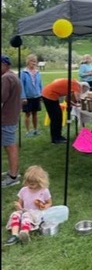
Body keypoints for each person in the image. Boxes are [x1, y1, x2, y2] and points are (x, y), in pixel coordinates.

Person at [4, 165, 52, 245]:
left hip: (36, 214)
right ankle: (14, 235)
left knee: (26, 217)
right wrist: (18, 206)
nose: (29, 186)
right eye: (28, 183)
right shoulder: (24, 190)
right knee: (15, 214)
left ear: (40, 182)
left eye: (32, 184)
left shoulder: (44, 191)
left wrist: (44, 207)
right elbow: (20, 203)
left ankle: (24, 233)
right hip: (24, 211)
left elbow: (49, 202)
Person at [42, 78, 89, 144]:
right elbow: (78, 98)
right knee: (56, 118)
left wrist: (75, 104)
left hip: (49, 93)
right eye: (84, 91)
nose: (83, 92)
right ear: (82, 87)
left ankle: (58, 136)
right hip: (49, 95)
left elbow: (67, 99)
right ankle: (56, 138)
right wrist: (82, 103)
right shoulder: (76, 85)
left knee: (58, 116)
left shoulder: (73, 85)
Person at [1, 55, 22, 188]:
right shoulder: (12, 75)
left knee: (10, 146)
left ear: (4, 64)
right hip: (11, 116)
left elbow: (2, 97)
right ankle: (12, 172)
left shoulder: (6, 78)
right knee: (9, 145)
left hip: (6, 117)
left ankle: (13, 177)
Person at [20, 54, 43, 138]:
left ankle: (35, 130)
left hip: (36, 96)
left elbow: (40, 84)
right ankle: (28, 131)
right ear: (28, 62)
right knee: (27, 114)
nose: (33, 63)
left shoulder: (37, 72)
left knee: (35, 113)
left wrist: (41, 94)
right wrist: (23, 97)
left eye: (35, 61)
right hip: (27, 97)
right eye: (32, 61)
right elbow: (21, 85)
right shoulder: (23, 72)